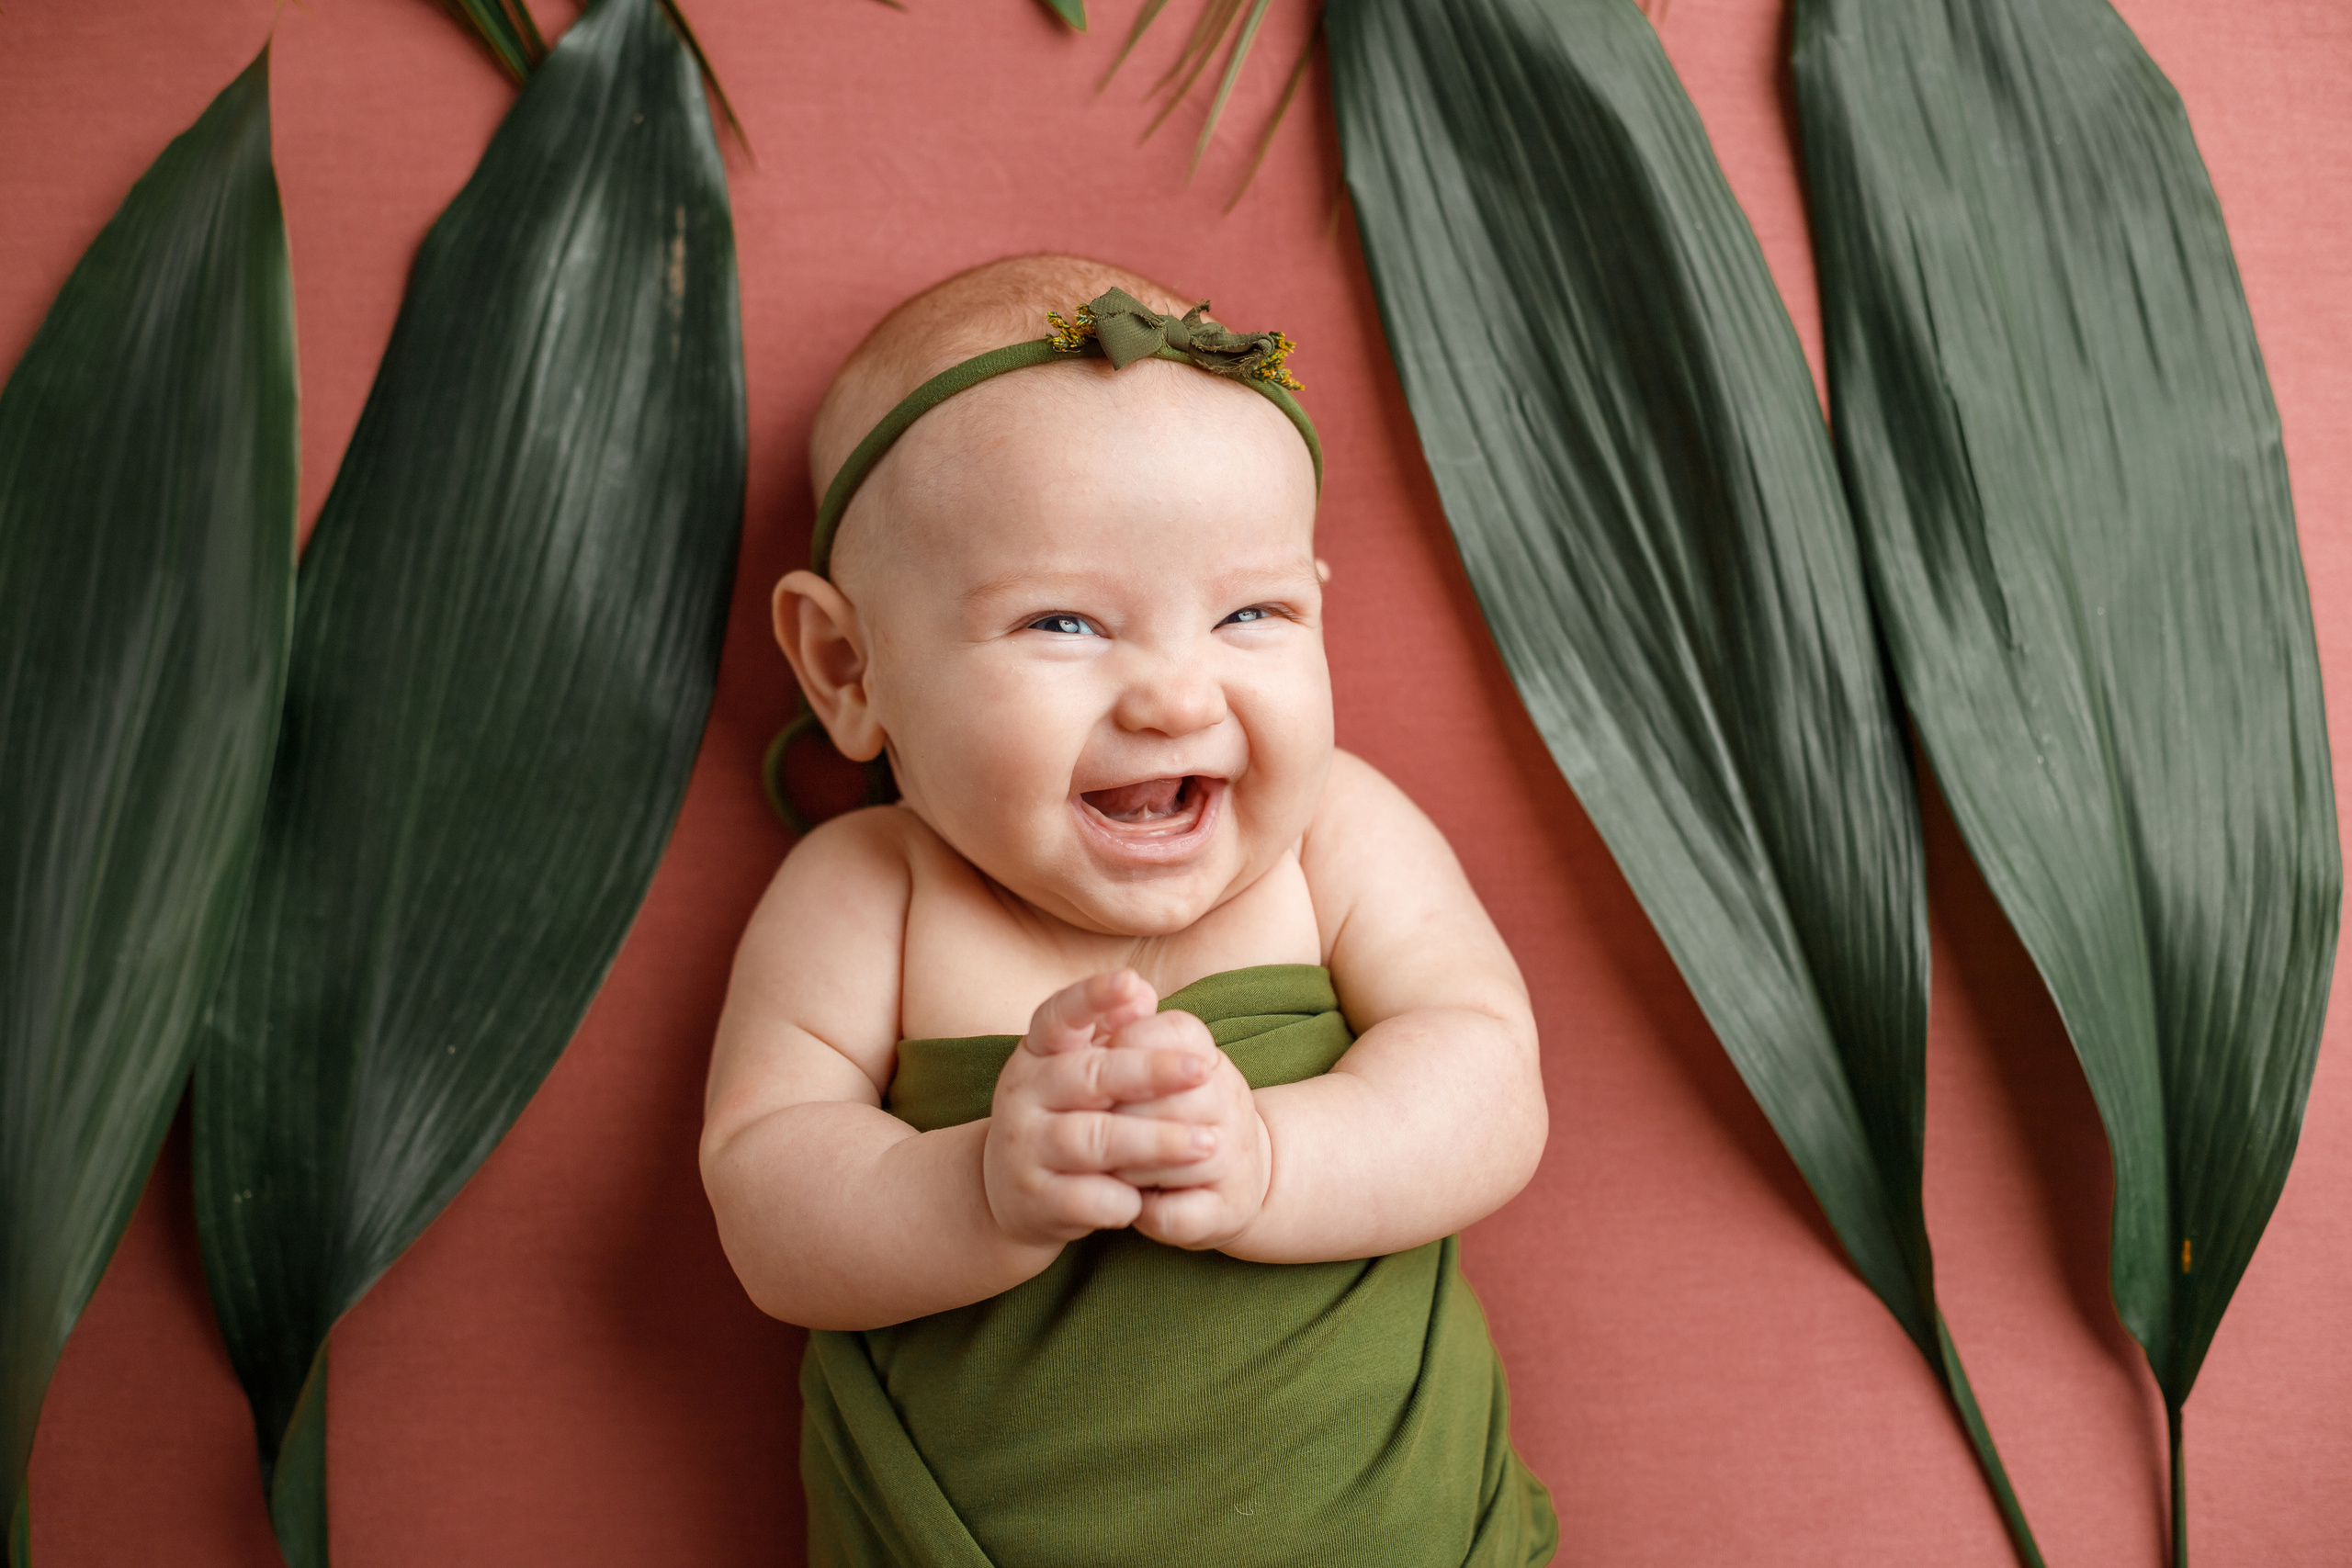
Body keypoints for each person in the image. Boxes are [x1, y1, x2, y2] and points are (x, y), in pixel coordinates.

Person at [701, 253, 1556, 1567]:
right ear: (847, 666)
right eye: (1064, 623)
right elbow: (770, 1209)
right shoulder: (870, 891)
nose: (1175, 696)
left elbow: (1490, 1079)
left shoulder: (1338, 837)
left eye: (1250, 612)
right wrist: (978, 1191)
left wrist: (1275, 1162)